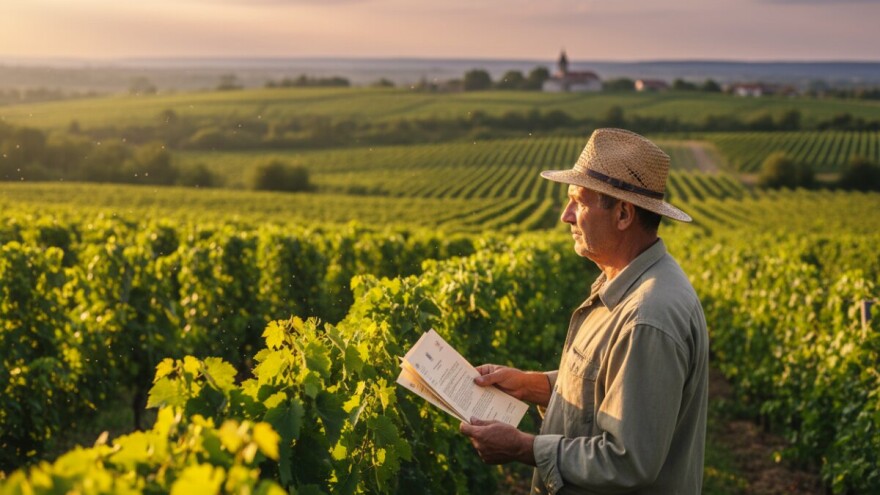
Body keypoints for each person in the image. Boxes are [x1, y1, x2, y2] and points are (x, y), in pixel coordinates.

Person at [460, 128, 709, 494]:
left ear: (623, 214)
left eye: (578, 202)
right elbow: (609, 386)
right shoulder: (625, 285)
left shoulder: (647, 317)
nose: (566, 216)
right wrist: (532, 385)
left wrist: (524, 448)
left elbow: (628, 461)